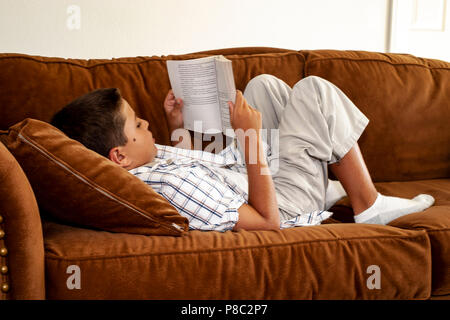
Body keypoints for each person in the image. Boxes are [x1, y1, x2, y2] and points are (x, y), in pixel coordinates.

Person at [50, 74, 435, 232]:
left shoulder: (142, 168)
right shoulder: (166, 185)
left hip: (245, 175)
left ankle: (327, 180)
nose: (144, 125)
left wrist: (177, 126)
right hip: (279, 205)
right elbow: (267, 222)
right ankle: (367, 204)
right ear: (119, 156)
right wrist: (249, 140)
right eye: (136, 125)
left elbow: (200, 164)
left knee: (263, 85)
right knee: (314, 90)